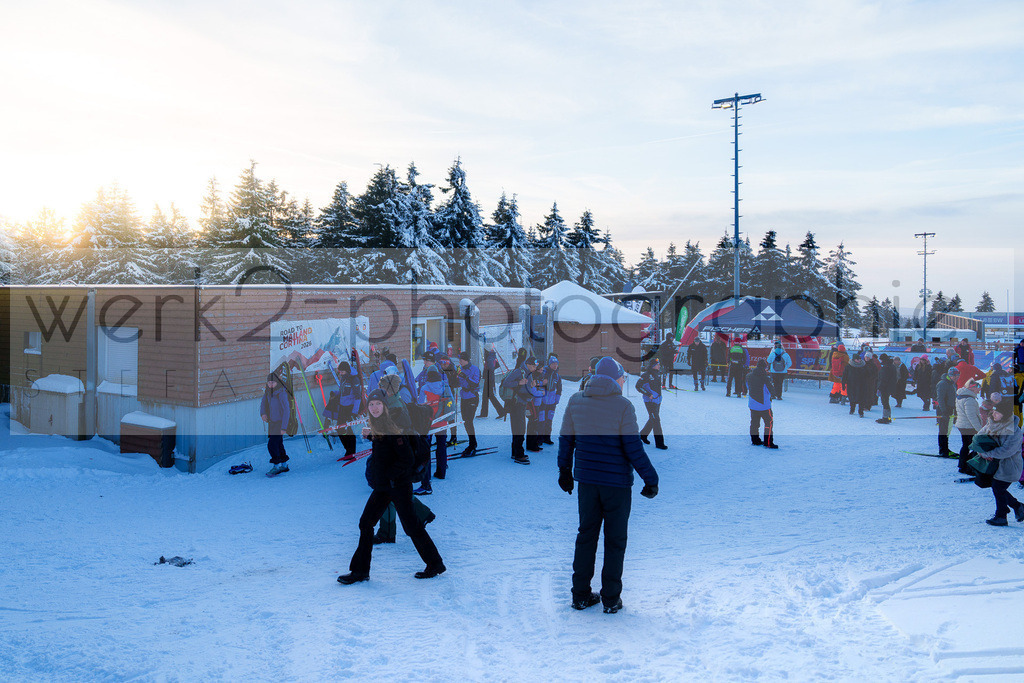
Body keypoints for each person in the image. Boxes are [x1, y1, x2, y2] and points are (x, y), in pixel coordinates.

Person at [557, 357, 659, 614]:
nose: (625, 380)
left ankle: (580, 595)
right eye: (622, 376)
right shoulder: (623, 406)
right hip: (616, 486)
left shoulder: (576, 400)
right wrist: (651, 479)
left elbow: (566, 439)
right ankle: (611, 599)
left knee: (586, 537)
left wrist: (564, 471)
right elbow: (633, 448)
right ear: (614, 378)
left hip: (588, 484)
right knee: (615, 541)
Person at [337, 390, 445, 584]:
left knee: (411, 527)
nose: (374, 408)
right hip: (384, 487)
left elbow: (407, 458)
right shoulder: (379, 425)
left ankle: (435, 564)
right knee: (365, 523)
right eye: (371, 404)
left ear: (385, 406)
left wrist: (390, 476)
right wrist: (372, 436)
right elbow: (388, 447)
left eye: (378, 404)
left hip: (398, 486)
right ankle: (360, 571)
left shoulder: (392, 426)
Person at [372, 375, 435, 545]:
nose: (379, 391)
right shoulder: (394, 403)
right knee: (393, 494)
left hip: (396, 458)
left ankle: (389, 531)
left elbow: (392, 434)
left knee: (392, 493)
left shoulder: (395, 408)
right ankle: (418, 516)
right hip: (395, 457)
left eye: (382, 387)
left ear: (389, 389)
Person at [970, 397, 1024, 527]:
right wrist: (981, 452)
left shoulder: (1014, 431)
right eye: (993, 411)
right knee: (996, 488)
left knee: (998, 488)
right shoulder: (991, 423)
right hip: (994, 465)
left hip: (1009, 466)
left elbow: (1007, 451)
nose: (993, 414)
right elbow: (978, 438)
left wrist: (988, 454)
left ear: (1005, 415)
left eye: (997, 412)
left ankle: (1002, 515)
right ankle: (1015, 508)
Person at [414, 365, 452, 495]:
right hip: (443, 420)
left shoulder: (424, 388)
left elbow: (420, 405)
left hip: (429, 422)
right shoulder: (445, 386)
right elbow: (450, 403)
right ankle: (441, 472)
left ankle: (427, 477)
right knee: (442, 445)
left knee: (426, 450)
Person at [500, 355, 535, 464]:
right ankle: (519, 455)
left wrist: (532, 385)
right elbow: (505, 382)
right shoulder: (519, 371)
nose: (535, 368)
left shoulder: (529, 373)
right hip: (516, 403)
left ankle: (516, 452)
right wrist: (518, 383)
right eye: (534, 366)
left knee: (518, 428)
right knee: (519, 429)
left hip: (523, 403)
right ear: (528, 364)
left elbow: (527, 388)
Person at [259, 372, 291, 476]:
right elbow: (263, 403)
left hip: (280, 422)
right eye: (269, 382)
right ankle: (284, 465)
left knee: (272, 444)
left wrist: (284, 427)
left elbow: (287, 410)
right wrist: (263, 413)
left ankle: (276, 465)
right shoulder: (268, 392)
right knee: (278, 443)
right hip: (272, 422)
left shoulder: (281, 393)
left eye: (272, 382)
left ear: (277, 382)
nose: (270, 384)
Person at [635, 358, 667, 450]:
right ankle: (659, 443)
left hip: (657, 401)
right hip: (650, 401)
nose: (659, 366)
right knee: (656, 421)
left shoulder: (657, 374)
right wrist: (648, 394)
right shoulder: (646, 375)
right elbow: (638, 386)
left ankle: (642, 435)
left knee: (652, 419)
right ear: (653, 366)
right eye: (657, 364)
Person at [746, 359, 778, 448]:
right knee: (769, 423)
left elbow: (747, 387)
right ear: (765, 367)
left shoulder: (749, 376)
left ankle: (755, 440)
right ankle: (768, 442)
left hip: (753, 404)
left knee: (754, 424)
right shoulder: (765, 378)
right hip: (764, 406)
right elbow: (772, 391)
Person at [954, 380, 983, 474]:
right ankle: (969, 468)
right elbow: (971, 416)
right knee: (974, 447)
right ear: (972, 388)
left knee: (966, 446)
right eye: (978, 388)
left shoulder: (961, 396)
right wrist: (979, 430)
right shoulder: (969, 399)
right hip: (969, 427)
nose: (979, 390)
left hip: (963, 425)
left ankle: (962, 466)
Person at [456, 351, 481, 457]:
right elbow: (457, 383)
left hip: (472, 397)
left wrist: (465, 376)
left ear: (466, 360)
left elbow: (475, 383)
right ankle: (473, 442)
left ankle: (472, 444)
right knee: (466, 421)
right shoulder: (460, 369)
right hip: (464, 397)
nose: (459, 361)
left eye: (461, 359)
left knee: (469, 421)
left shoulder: (475, 369)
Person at [539, 355, 563, 445]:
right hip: (543, 401)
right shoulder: (543, 373)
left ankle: (547, 438)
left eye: (556, 364)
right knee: (541, 420)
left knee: (549, 419)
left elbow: (559, 389)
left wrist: (557, 399)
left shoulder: (557, 376)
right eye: (553, 364)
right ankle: (539, 438)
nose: (555, 366)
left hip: (552, 401)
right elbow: (538, 385)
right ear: (549, 364)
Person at [935, 366, 959, 458]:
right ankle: (942, 450)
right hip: (943, 410)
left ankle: (945, 448)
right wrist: (944, 411)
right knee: (943, 431)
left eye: (958, 376)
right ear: (950, 375)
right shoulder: (943, 383)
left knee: (947, 430)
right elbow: (940, 398)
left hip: (950, 409)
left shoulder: (951, 383)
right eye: (955, 376)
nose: (957, 378)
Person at [479, 343, 505, 419]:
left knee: (490, 395)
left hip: (489, 378)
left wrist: (487, 371)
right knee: (485, 396)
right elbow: (496, 365)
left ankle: (501, 411)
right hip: (490, 377)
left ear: (486, 350)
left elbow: (491, 367)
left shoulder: (489, 357)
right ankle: (484, 413)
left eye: (484, 350)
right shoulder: (492, 355)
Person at [876, 354, 898, 423]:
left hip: (885, 387)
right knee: (886, 401)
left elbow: (883, 379)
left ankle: (886, 418)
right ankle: (887, 417)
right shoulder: (891, 366)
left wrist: (880, 387)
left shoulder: (886, 367)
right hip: (890, 386)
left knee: (885, 402)